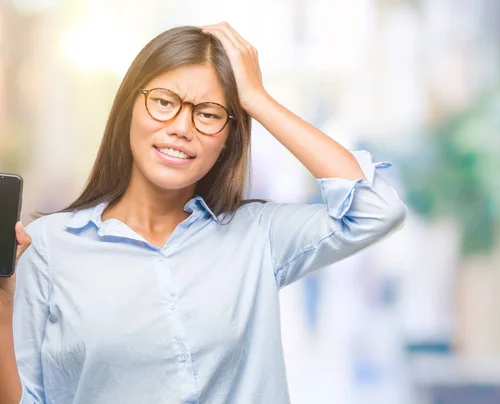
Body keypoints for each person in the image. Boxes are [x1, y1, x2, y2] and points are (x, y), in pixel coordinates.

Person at [1, 23, 407, 404]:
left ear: (229, 138)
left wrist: (258, 100)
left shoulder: (257, 235)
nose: (182, 127)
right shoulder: (50, 247)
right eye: (164, 102)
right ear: (129, 108)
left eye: (209, 114)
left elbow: (376, 210)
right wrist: (2, 304)